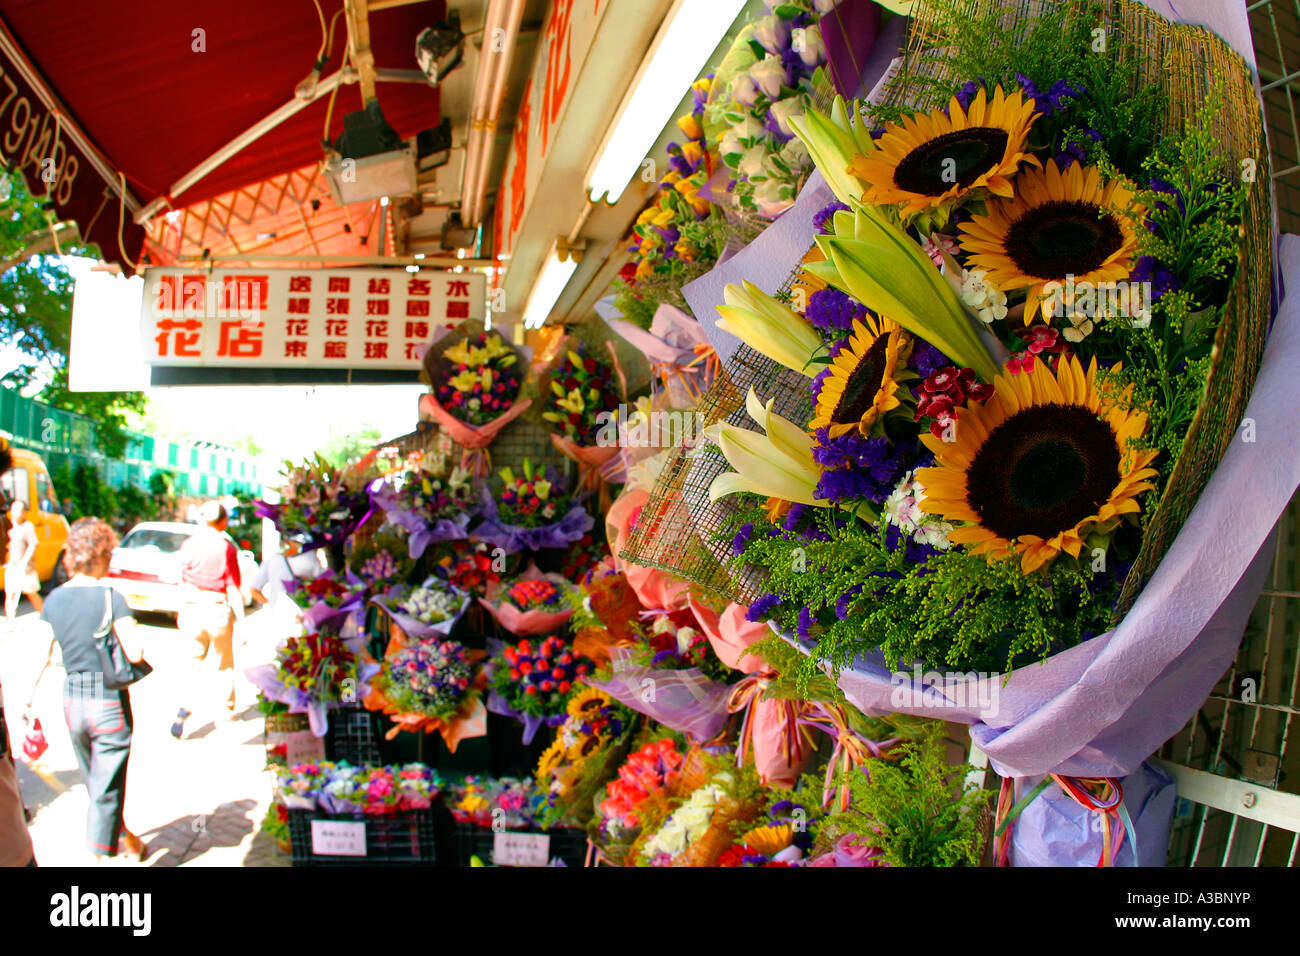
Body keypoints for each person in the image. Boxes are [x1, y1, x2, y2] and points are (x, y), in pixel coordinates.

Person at [38, 517, 146, 863]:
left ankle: (128, 840)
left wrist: (25, 704)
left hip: (73, 702)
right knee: (106, 791)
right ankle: (96, 860)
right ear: (101, 554)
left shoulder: (53, 599)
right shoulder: (110, 597)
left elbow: (40, 653)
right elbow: (136, 652)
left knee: (96, 783)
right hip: (108, 703)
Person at [172, 501, 245, 738]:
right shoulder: (226, 548)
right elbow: (233, 587)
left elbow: (179, 578)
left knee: (192, 662)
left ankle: (183, 709)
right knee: (224, 663)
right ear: (223, 521)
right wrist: (241, 622)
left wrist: (181, 610)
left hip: (192, 607)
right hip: (217, 608)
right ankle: (225, 712)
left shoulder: (189, 544)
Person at [4, 500, 43, 623]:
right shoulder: (8, 527)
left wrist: (24, 561)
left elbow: (32, 545)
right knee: (11, 594)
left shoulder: (27, 526)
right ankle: (10, 620)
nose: (16, 513)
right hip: (12, 566)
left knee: (31, 593)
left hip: (26, 568)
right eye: (14, 510)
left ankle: (44, 615)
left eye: (19, 510)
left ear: (24, 513)